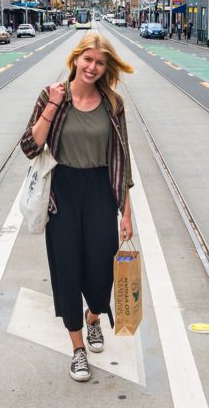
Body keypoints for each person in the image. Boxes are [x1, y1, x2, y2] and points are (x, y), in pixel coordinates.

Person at [20, 33, 135, 383]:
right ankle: (78, 350)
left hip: (101, 190)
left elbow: (122, 158)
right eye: (88, 60)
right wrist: (53, 106)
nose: (92, 67)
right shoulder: (52, 95)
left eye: (100, 63)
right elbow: (29, 146)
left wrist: (127, 213)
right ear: (76, 59)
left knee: (102, 269)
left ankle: (94, 318)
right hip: (62, 193)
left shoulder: (113, 103)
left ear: (106, 68)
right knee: (67, 268)